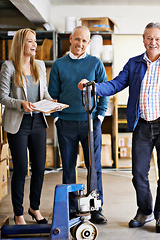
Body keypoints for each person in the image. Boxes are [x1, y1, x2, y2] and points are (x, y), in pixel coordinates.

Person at [78, 22, 160, 233]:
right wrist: (94, 87)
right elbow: (115, 84)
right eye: (149, 38)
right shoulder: (134, 64)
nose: (153, 42)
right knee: (138, 174)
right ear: (143, 39)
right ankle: (144, 211)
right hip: (142, 126)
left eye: (157, 39)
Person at [48, 26, 109, 224]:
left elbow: (104, 91)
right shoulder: (59, 65)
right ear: (70, 39)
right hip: (65, 123)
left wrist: (99, 117)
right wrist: (57, 118)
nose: (80, 44)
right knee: (68, 167)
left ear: (88, 43)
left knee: (94, 167)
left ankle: (96, 207)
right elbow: (53, 95)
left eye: (84, 41)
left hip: (90, 123)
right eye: (77, 40)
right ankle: (71, 207)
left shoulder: (95, 63)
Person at [0, 28, 51, 225]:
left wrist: (50, 103)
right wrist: (20, 104)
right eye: (30, 41)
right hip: (18, 124)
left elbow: (43, 93)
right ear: (21, 43)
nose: (34, 44)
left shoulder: (39, 65)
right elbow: (3, 97)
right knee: (21, 169)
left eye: (35, 41)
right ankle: (18, 213)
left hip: (38, 122)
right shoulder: (9, 67)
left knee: (39, 167)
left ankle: (34, 208)